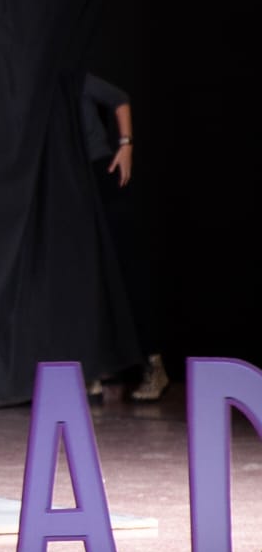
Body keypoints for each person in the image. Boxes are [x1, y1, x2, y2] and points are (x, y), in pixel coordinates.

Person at [81, 74, 167, 401]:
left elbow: (119, 97)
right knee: (91, 276)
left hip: (103, 172)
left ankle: (153, 365)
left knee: (125, 267)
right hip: (73, 178)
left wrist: (125, 145)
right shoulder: (38, 84)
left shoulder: (78, 79)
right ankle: (99, 369)